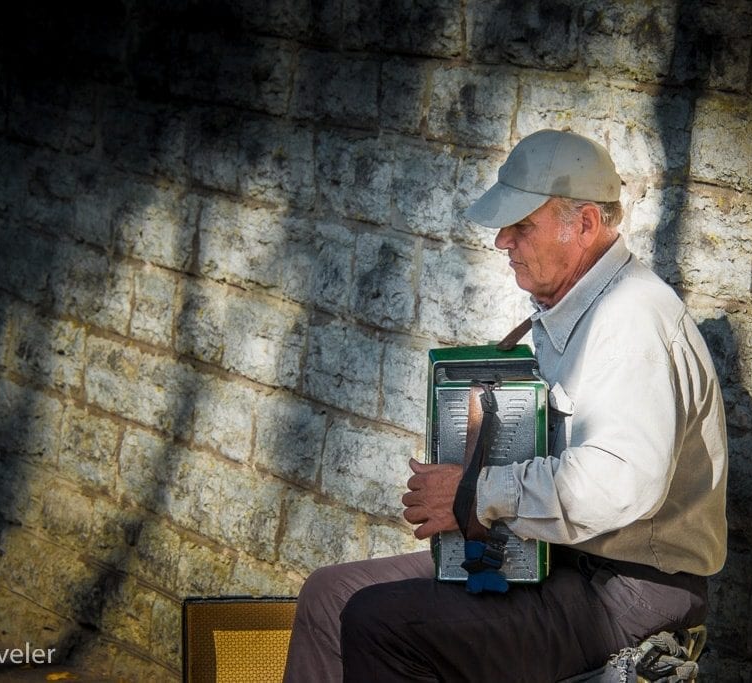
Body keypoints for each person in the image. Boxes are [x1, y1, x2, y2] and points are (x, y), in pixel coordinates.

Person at [283, 129, 728, 682]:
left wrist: (476, 494)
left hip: (622, 592)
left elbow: (619, 485)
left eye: (521, 226)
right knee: (330, 596)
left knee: (382, 621)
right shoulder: (572, 307)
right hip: (551, 559)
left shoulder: (630, 322)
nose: (500, 242)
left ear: (585, 224)